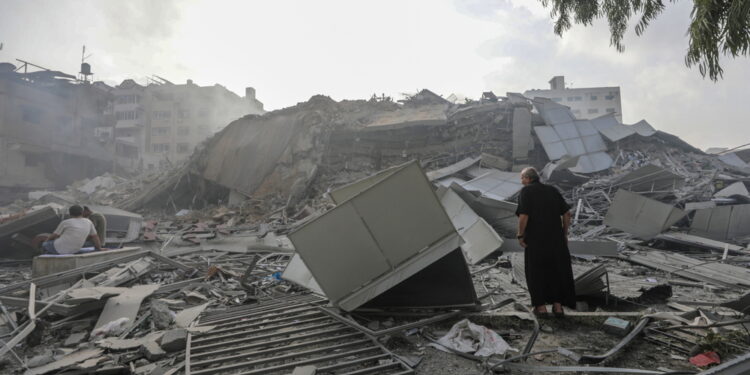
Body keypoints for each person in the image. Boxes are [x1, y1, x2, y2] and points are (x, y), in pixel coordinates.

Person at [515, 167, 576, 317]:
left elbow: (524, 216)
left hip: (536, 240)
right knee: (556, 272)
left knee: (536, 272)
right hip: (556, 240)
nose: (521, 181)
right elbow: (567, 214)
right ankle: (558, 307)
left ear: (529, 179)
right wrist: (564, 234)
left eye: (522, 178)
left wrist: (520, 235)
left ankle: (541, 308)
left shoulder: (526, 192)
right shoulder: (552, 190)